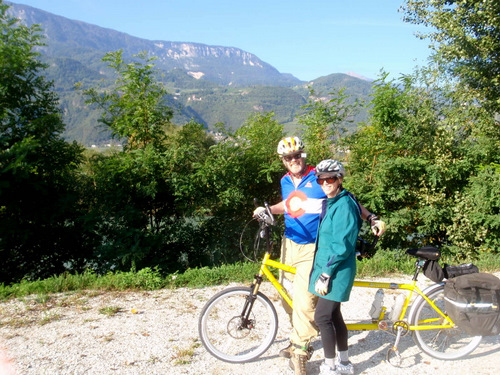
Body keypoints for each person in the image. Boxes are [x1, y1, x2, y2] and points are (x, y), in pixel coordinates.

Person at [254, 136, 385, 375]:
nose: (294, 160)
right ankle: (300, 335)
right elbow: (290, 204)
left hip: (312, 247)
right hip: (289, 243)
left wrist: (372, 217)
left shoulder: (319, 177)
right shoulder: (285, 181)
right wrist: (268, 210)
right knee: (286, 296)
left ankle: (301, 351)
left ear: (303, 155)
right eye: (288, 157)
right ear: (283, 161)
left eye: (297, 155)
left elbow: (349, 199)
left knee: (305, 301)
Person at [309, 159, 361, 375]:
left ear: (340, 179)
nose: (325, 182)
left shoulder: (345, 204)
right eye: (321, 179)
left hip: (336, 271)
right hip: (328, 268)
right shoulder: (331, 201)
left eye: (330, 178)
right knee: (334, 316)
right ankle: (345, 364)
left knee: (322, 317)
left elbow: (343, 245)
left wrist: (326, 273)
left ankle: (330, 367)